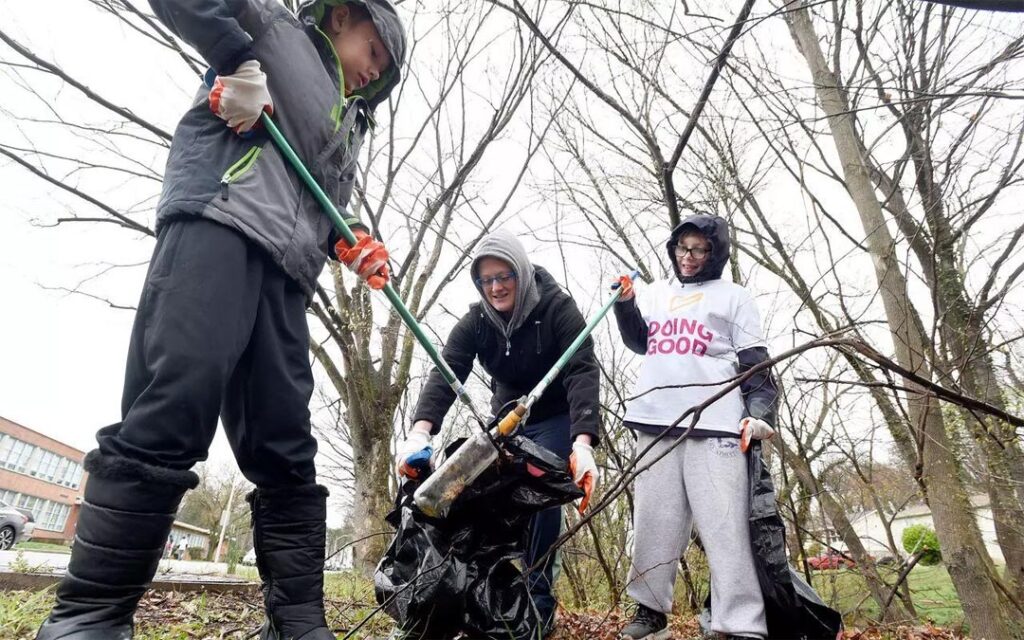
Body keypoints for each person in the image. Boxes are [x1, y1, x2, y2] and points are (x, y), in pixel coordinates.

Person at [36, 2, 405, 639]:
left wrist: (352, 238)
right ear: (343, 16)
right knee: (178, 396)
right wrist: (236, 60)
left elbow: (321, 203)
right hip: (220, 223)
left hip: (287, 275)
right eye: (375, 53)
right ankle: (89, 615)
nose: (375, 73)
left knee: (286, 439)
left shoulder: (351, 123)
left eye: (385, 71)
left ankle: (296, 623)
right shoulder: (274, 30)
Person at [400, 229, 601, 637]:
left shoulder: (557, 308)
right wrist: (421, 433)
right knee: (481, 495)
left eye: (504, 276)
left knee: (540, 497)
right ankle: (487, 600)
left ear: (521, 273)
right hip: (508, 418)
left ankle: (538, 608)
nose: (496, 287)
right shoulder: (477, 321)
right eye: (486, 280)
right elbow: (447, 371)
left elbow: (582, 369)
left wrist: (583, 442)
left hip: (555, 415)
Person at [613, 214, 778, 640]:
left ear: (715, 252)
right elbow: (640, 342)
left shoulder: (735, 297)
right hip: (656, 420)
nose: (688, 257)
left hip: (716, 425)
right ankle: (649, 612)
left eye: (699, 249)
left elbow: (755, 363)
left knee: (726, 528)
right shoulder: (656, 292)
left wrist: (760, 413)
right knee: (653, 524)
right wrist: (625, 304)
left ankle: (740, 624)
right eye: (682, 248)